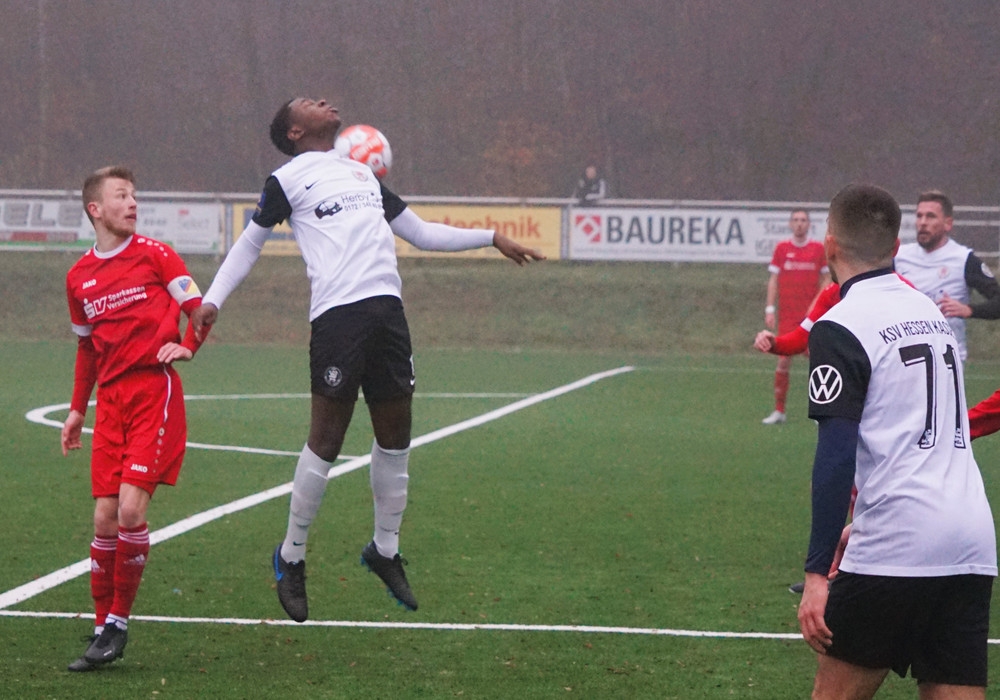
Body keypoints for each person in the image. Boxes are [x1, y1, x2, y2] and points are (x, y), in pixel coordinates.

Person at [189, 97, 544, 623]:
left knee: (396, 436)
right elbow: (249, 245)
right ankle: (291, 556)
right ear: (294, 131)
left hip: (388, 313)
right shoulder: (286, 180)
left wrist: (489, 238)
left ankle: (384, 549)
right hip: (338, 318)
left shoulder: (361, 173)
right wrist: (212, 299)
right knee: (327, 440)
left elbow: (420, 232)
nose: (324, 102)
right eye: (309, 103)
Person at [797, 183, 996, 699]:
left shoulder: (839, 326)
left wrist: (817, 572)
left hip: (897, 543)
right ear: (895, 246)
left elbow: (835, 456)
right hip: (970, 540)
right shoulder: (930, 313)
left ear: (830, 244)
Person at [61, 166, 207, 672]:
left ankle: (118, 624)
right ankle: (102, 624)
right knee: (103, 518)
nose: (132, 203)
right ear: (95, 209)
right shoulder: (79, 277)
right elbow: (87, 349)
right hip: (111, 404)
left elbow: (199, 308)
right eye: (121, 195)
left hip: (152, 392)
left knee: (128, 511)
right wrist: (77, 409)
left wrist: (188, 345)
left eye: (134, 195)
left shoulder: (156, 254)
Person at [893, 190, 1000, 361]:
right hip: (904, 356)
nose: (923, 222)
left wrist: (969, 310)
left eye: (930, 216)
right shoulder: (899, 257)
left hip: (948, 359)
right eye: (919, 216)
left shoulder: (963, 259)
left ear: (948, 224)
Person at [760, 209, 829, 424]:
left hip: (811, 318)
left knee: (818, 363)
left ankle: (821, 412)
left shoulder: (818, 249)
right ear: (790, 224)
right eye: (796, 220)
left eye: (803, 220)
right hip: (788, 316)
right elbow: (773, 279)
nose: (799, 224)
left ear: (809, 225)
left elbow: (827, 279)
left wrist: (817, 305)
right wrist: (769, 309)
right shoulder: (782, 248)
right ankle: (779, 411)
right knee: (783, 362)